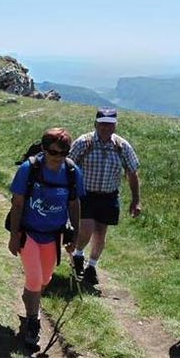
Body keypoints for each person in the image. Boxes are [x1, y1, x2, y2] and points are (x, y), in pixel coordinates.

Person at [8, 127, 84, 347]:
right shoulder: (28, 169)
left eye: (63, 153)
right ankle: (33, 322)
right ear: (43, 149)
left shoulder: (71, 172)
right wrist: (14, 236)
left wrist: (76, 233)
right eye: (53, 152)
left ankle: (30, 300)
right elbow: (18, 203)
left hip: (53, 236)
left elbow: (74, 203)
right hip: (29, 233)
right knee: (34, 278)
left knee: (45, 279)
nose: (57, 158)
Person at [68, 107, 141, 286]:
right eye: (102, 125)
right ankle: (78, 254)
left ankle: (91, 267)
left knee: (101, 232)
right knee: (86, 229)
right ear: (96, 124)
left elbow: (132, 172)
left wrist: (136, 199)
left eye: (109, 125)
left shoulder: (122, 146)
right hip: (85, 194)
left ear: (115, 126)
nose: (106, 129)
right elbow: (68, 165)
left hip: (109, 195)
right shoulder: (83, 143)